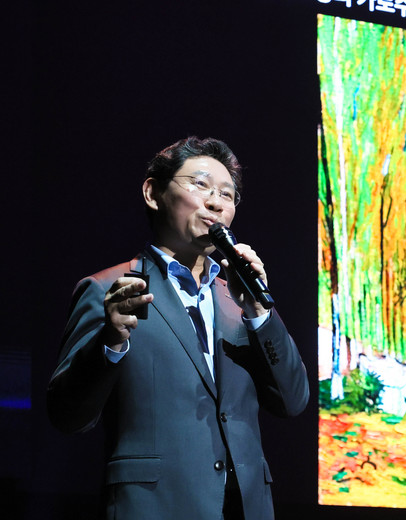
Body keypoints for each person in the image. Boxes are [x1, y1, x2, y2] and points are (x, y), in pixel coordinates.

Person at [47, 137, 309, 519]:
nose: (216, 203)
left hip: (245, 508)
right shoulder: (110, 290)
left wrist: (259, 313)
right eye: (200, 185)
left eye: (227, 194)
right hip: (156, 507)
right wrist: (110, 341)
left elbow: (293, 400)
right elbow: (67, 415)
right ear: (153, 193)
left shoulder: (238, 300)